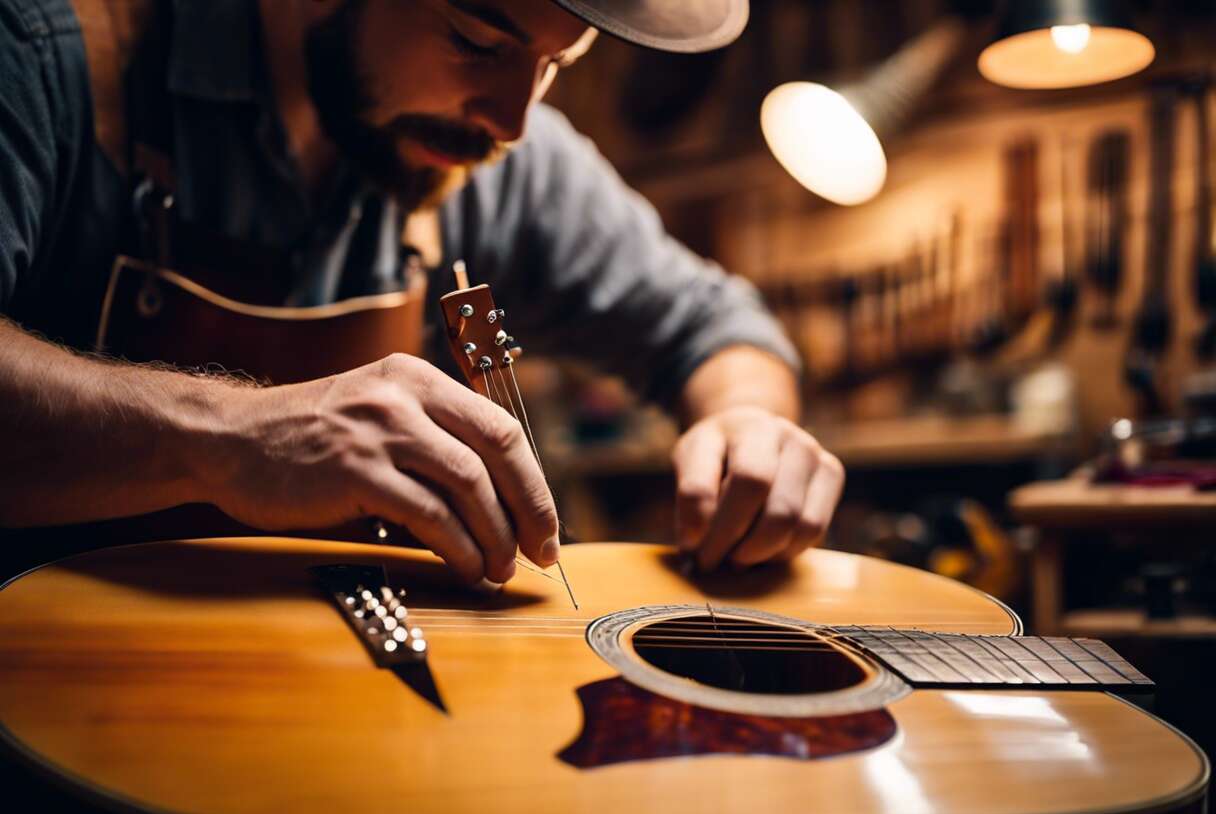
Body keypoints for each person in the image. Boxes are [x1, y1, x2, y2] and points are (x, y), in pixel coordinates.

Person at [0, 0, 844, 584]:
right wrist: (226, 437)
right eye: (477, 40)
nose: (510, 121)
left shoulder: (500, 161)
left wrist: (750, 425)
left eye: (556, 64)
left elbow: (714, 325)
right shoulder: (43, 56)